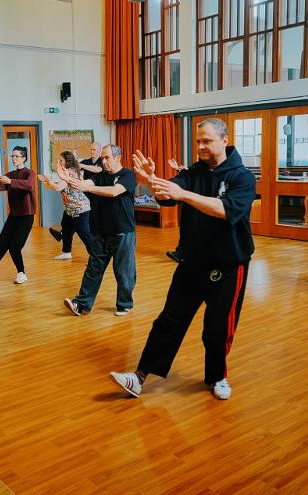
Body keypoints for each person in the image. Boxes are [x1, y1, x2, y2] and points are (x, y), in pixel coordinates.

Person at [109, 119, 256, 401]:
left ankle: (218, 376)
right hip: (192, 262)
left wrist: (183, 194)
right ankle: (139, 377)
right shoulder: (193, 172)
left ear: (224, 140)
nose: (200, 146)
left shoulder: (242, 177)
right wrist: (152, 181)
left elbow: (227, 210)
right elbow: (169, 194)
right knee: (169, 320)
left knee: (217, 328)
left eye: (207, 141)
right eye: (198, 141)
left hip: (228, 264)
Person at [62, 144, 137, 316]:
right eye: (102, 158)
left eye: (107, 158)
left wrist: (88, 187)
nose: (103, 161)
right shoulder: (100, 176)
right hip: (101, 233)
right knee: (93, 269)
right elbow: (86, 183)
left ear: (118, 157)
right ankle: (81, 304)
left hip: (123, 232)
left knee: (124, 272)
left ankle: (125, 304)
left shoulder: (128, 175)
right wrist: (70, 179)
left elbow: (114, 192)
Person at [0, 146, 36, 285]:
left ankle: (21, 273)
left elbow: (29, 185)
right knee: (0, 246)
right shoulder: (10, 174)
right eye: (12, 156)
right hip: (14, 216)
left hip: (27, 216)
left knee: (14, 246)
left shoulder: (29, 173)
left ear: (24, 158)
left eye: (16, 156)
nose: (13, 159)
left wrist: (10, 182)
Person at [38, 151, 93, 260]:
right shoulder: (67, 171)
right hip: (70, 209)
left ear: (67, 162)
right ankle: (66, 252)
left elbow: (58, 187)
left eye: (61, 160)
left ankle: (96, 257)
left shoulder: (71, 172)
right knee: (66, 228)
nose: (59, 162)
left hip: (79, 209)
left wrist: (47, 180)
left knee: (84, 234)